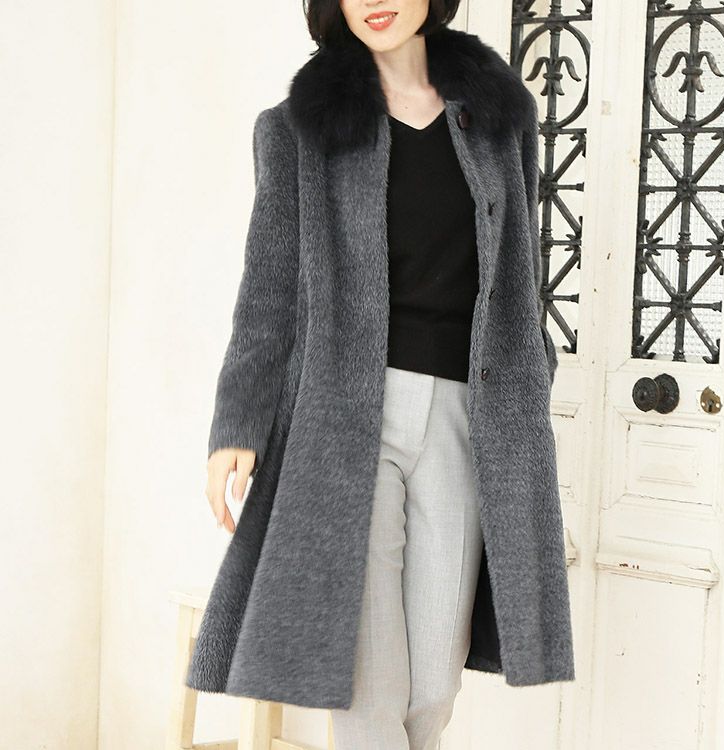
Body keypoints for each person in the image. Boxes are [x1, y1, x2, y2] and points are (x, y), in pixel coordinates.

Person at [186, 0, 575, 747]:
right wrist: (238, 424)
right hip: (347, 418)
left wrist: (531, 380)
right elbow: (269, 290)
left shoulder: (499, 119)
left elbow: (523, 275)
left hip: (468, 415)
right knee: (369, 684)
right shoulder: (298, 130)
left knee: (434, 683)